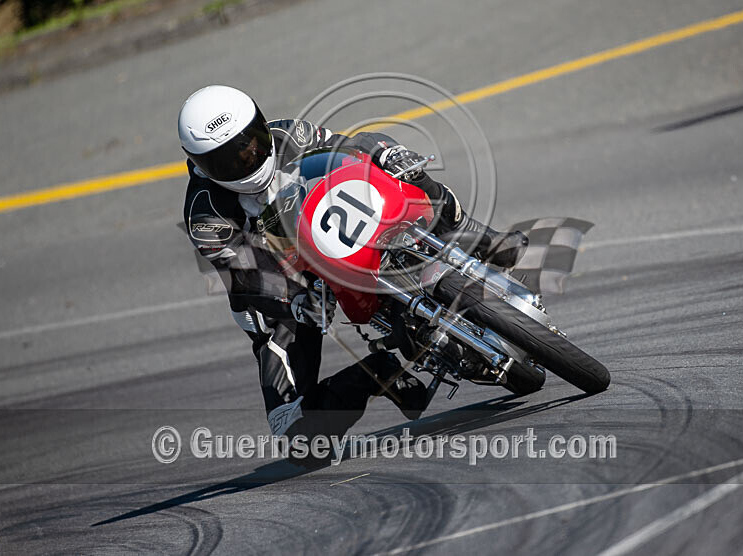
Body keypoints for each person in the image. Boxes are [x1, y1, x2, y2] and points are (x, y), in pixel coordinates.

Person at [179, 85, 527, 453]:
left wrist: (387, 154)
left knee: (399, 169)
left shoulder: (287, 135)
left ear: (261, 124)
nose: (249, 157)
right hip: (282, 290)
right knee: (297, 440)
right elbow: (244, 275)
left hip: (332, 222)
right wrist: (293, 299)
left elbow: (352, 148)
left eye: (251, 141)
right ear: (201, 164)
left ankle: (473, 234)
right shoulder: (205, 214)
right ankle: (375, 372)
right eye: (230, 160)